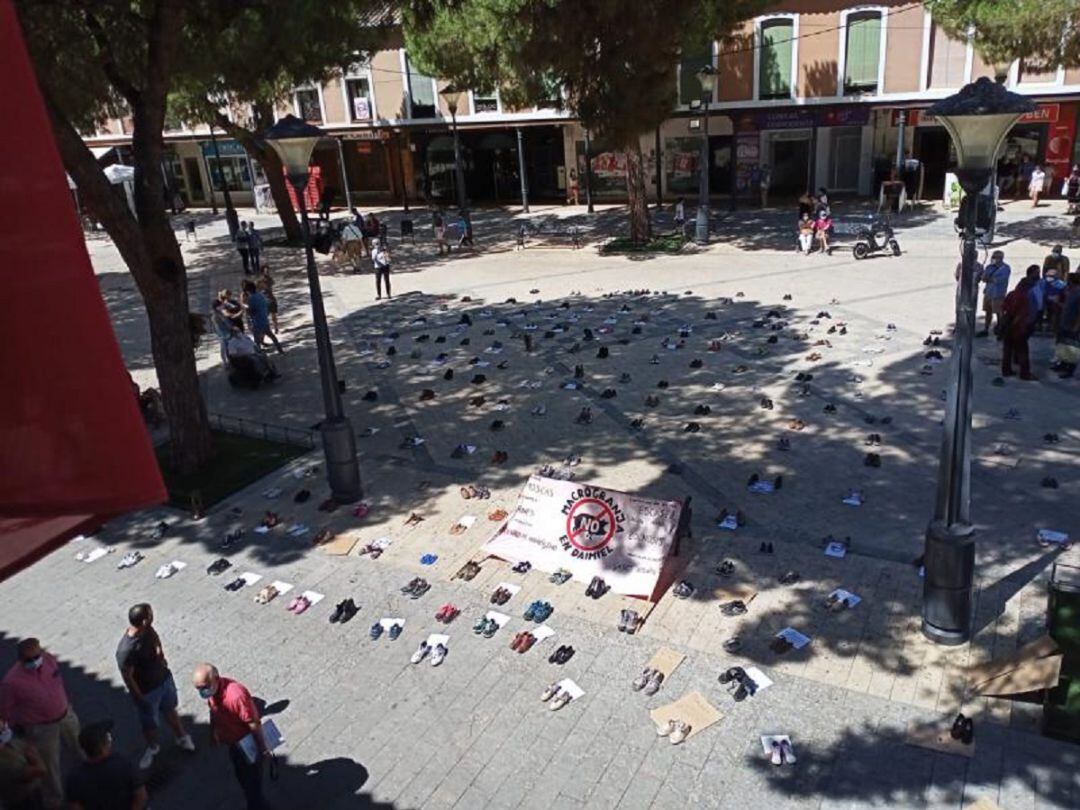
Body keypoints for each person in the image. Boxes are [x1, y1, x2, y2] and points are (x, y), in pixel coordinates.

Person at [0, 639, 80, 809]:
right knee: (50, 768)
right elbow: (5, 712)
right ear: (21, 660)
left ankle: (92, 774)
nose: (35, 661)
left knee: (81, 746)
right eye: (30, 659)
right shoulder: (11, 682)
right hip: (42, 728)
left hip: (65, 715)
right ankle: (55, 802)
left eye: (37, 656)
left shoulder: (49, 660)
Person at [116, 604, 195, 771]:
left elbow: (155, 639)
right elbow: (128, 677)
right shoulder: (126, 650)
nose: (153, 616)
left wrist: (160, 653)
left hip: (164, 680)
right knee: (150, 723)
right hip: (147, 691)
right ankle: (152, 747)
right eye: (150, 614)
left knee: (170, 710)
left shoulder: (147, 630)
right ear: (144, 620)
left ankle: (182, 737)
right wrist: (139, 698)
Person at [192, 664, 269, 810]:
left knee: (252, 786)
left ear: (216, 678)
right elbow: (213, 711)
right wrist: (213, 732)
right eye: (198, 689)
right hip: (233, 743)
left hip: (247, 745)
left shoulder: (236, 696)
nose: (202, 692)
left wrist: (262, 748)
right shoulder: (213, 691)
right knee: (243, 778)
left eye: (204, 687)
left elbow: (253, 723)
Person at [64, 721, 147, 810]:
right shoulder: (123, 764)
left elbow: (75, 807)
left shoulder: (74, 778)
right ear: (104, 746)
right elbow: (141, 796)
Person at [0, 716, 47, 810]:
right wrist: (36, 758)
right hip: (24, 799)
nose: (5, 725)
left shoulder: (10, 744)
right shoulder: (6, 763)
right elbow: (41, 770)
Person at [1000, 275, 1037, 380]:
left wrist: (1004, 322)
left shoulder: (1011, 294)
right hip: (1017, 327)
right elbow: (1021, 314)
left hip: (1007, 324)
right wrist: (1015, 324)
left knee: (1007, 349)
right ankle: (1024, 373)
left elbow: (1003, 308)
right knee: (1022, 350)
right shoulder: (1024, 297)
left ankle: (1006, 370)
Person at [1052, 272, 1080, 377]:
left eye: (1068, 280)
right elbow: (1067, 306)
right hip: (1064, 321)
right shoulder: (1069, 292)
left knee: (1072, 347)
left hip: (1072, 324)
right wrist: (1058, 303)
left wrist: (1076, 326)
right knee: (1063, 344)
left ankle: (1070, 369)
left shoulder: (1078, 293)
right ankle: (1062, 364)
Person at [242, 281, 283, 353]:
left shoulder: (250, 299)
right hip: (264, 319)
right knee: (272, 336)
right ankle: (280, 349)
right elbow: (266, 305)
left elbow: (251, 312)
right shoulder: (261, 295)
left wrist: (245, 307)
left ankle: (259, 355)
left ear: (248, 291)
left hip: (256, 322)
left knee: (257, 341)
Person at [978, 251, 1011, 337]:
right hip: (988, 292)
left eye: (995, 257)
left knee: (999, 313)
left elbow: (999, 280)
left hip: (998, 294)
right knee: (987, 311)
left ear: (1000, 258)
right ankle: (986, 329)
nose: (993, 258)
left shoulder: (1005, 268)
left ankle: (1001, 330)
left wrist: (990, 278)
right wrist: (989, 278)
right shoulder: (989, 267)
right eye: (993, 256)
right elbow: (983, 278)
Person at [258, 267, 279, 332]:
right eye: (266, 271)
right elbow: (257, 290)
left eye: (268, 271)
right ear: (262, 272)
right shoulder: (259, 281)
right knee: (265, 316)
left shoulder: (270, 279)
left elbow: (272, 284)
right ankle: (267, 329)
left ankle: (276, 327)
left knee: (274, 315)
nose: (267, 272)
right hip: (264, 300)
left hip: (271, 299)